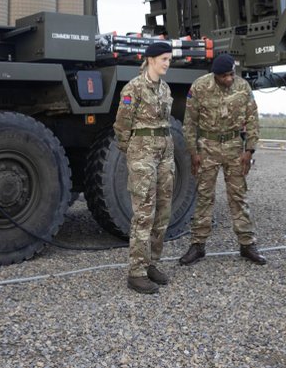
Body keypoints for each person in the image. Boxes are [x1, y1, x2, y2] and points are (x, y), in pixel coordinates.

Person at [178, 53, 266, 266]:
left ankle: (247, 244)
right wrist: (193, 152)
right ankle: (198, 245)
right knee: (204, 197)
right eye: (224, 76)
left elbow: (253, 119)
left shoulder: (242, 87)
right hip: (207, 148)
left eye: (231, 74)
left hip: (235, 148)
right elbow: (190, 122)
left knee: (238, 197)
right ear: (214, 75)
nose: (229, 79)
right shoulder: (200, 87)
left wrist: (250, 150)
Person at [113, 41, 175, 294]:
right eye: (164, 59)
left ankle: (152, 263)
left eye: (169, 60)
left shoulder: (166, 89)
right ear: (151, 60)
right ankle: (136, 272)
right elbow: (121, 124)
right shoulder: (134, 88)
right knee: (144, 213)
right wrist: (131, 152)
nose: (167, 64)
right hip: (142, 154)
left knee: (163, 211)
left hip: (164, 152)